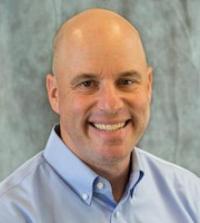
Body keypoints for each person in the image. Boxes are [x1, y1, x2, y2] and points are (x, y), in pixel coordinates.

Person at [0, 8, 199, 223]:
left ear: (148, 86)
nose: (111, 105)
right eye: (87, 84)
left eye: (127, 82)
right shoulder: (10, 212)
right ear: (55, 94)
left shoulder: (189, 197)